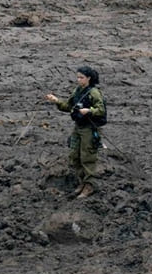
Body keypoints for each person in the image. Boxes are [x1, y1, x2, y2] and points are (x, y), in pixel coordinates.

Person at [46, 65, 106, 199]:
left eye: (81, 77)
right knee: (75, 155)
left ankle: (89, 186)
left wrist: (89, 111)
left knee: (87, 157)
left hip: (89, 129)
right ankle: (82, 182)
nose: (79, 80)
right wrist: (57, 101)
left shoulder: (94, 92)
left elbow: (101, 110)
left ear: (89, 78)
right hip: (78, 127)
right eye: (78, 77)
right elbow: (69, 106)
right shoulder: (78, 91)